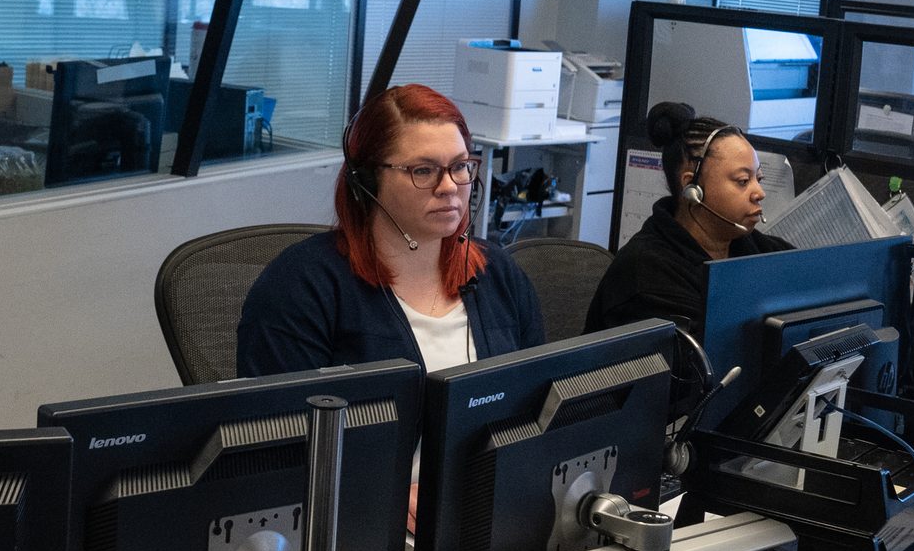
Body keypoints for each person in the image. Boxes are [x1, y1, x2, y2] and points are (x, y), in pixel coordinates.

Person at [237, 83, 545, 378]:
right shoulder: (301, 286)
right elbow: (281, 424)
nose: (449, 186)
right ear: (367, 182)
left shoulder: (498, 274)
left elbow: (536, 401)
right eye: (423, 170)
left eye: (460, 166)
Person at [584, 101, 792, 335]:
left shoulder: (759, 248)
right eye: (743, 181)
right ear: (692, 187)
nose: (759, 193)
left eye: (759, 179)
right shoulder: (647, 274)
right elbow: (707, 358)